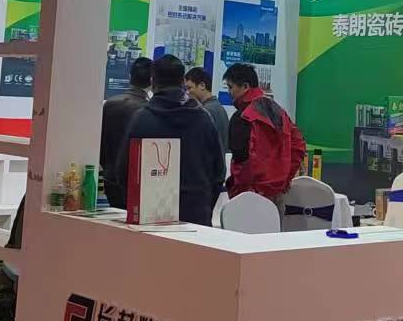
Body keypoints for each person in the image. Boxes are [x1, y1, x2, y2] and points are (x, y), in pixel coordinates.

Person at [118, 54, 225, 226]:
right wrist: (203, 204)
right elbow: (219, 172)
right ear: (182, 81)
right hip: (196, 215)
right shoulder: (203, 118)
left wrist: (139, 205)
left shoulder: (141, 119)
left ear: (152, 82)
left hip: (151, 215)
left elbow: (123, 171)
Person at [223, 62, 306, 204]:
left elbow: (241, 162)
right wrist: (284, 180)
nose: (229, 92)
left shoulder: (242, 117)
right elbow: (298, 146)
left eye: (231, 87)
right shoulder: (279, 112)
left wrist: (241, 191)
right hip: (277, 194)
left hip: (249, 196)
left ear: (245, 86)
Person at [100, 56, 153, 206]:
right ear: (152, 81)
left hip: (110, 177)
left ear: (130, 76)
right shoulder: (148, 110)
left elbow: (101, 142)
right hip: (137, 179)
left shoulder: (109, 104)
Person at [184, 66, 229, 153]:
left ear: (202, 85)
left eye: (189, 88)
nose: (187, 92)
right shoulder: (219, 107)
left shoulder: (205, 111)